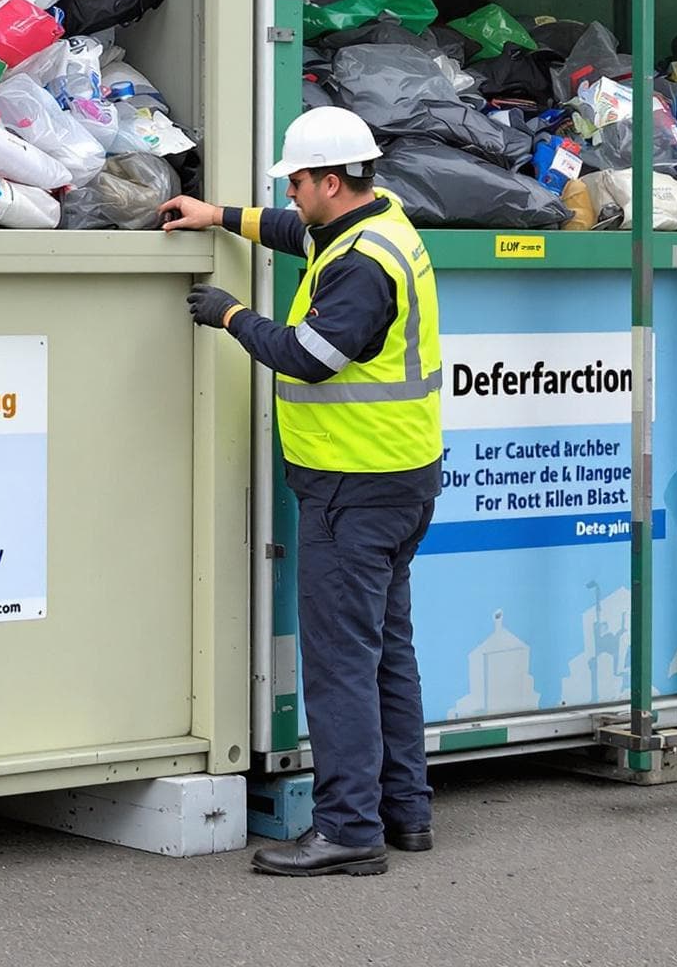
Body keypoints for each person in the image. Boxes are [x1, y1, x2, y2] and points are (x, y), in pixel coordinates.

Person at [160, 106, 442, 878]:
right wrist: (218, 216)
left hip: (354, 489)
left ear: (327, 180)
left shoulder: (360, 265)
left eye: (297, 181)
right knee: (385, 653)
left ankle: (350, 828)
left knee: (341, 662)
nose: (292, 193)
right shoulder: (376, 223)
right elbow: (297, 232)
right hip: (398, 476)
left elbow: (311, 356)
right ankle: (403, 812)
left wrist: (231, 316)